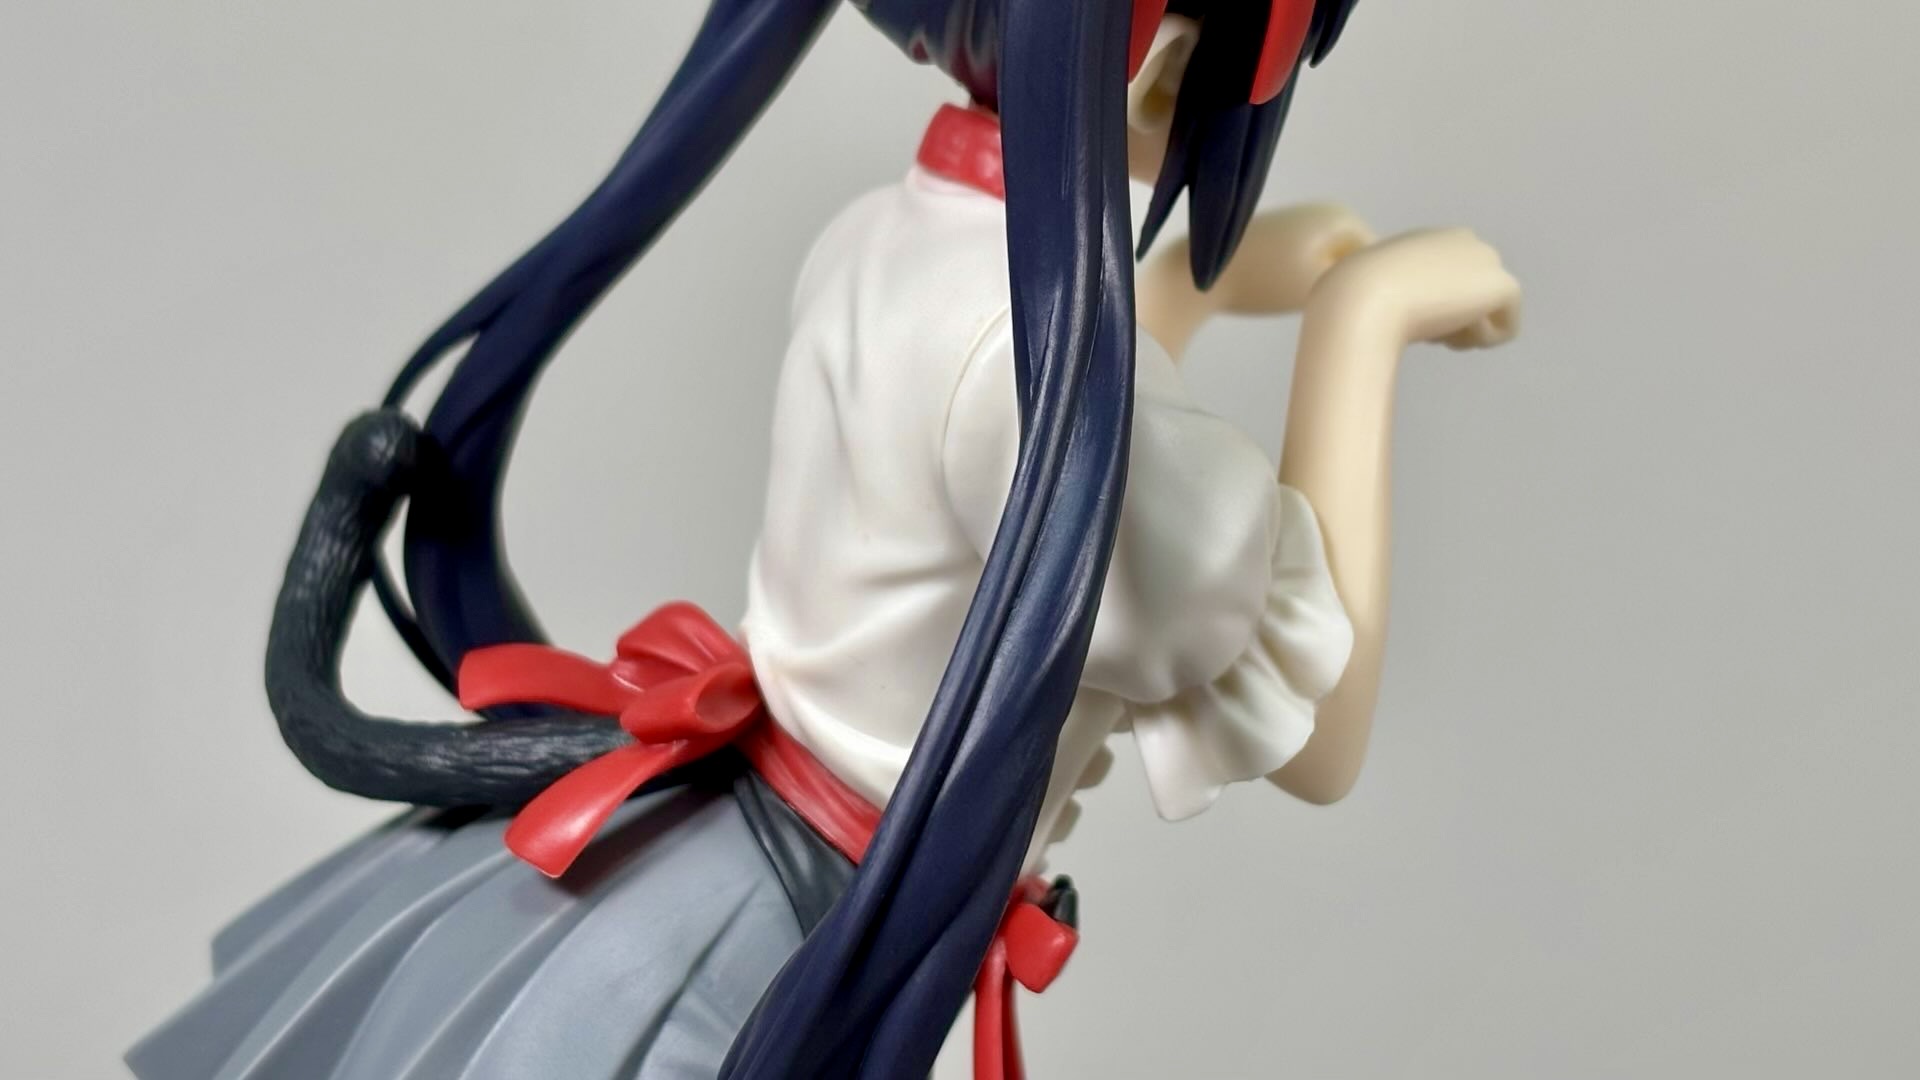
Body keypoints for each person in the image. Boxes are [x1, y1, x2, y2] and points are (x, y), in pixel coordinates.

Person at [128, 2, 1521, 1077]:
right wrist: (1364, 324)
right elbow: (1320, 735)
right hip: (785, 934)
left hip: (696, 856)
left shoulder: (883, 239)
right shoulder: (1038, 381)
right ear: (1166, 71)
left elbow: (1054, 444)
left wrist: (1191, 292)